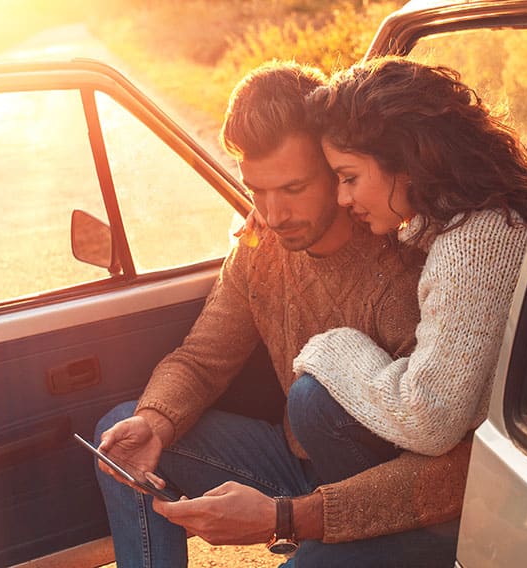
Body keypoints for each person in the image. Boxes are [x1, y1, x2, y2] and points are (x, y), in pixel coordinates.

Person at [93, 61, 466, 568]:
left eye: (292, 189)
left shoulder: (398, 270)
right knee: (122, 433)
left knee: (313, 400)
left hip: (393, 499)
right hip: (295, 468)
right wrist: (155, 421)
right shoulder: (260, 246)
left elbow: (446, 471)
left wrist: (290, 516)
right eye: (256, 190)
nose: (272, 214)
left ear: (337, 169)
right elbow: (202, 359)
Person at [291, 57, 527, 457]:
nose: (342, 198)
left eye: (349, 177)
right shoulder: (488, 216)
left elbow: (427, 421)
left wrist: (330, 346)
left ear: (406, 163)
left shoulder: (476, 243)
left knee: (311, 399)